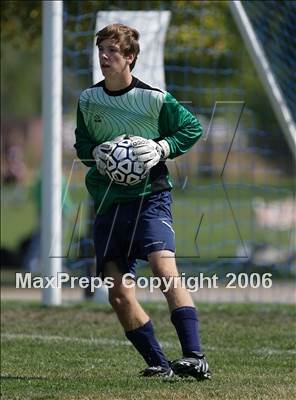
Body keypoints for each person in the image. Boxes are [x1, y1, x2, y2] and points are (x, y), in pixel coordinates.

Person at [74, 23, 211, 380]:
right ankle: (160, 364)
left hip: (150, 197)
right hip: (107, 202)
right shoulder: (88, 100)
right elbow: (82, 145)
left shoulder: (154, 99)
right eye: (100, 50)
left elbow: (191, 129)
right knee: (117, 293)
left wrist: (161, 147)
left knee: (164, 268)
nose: (104, 57)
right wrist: (97, 155)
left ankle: (195, 357)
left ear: (130, 57)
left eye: (112, 51)